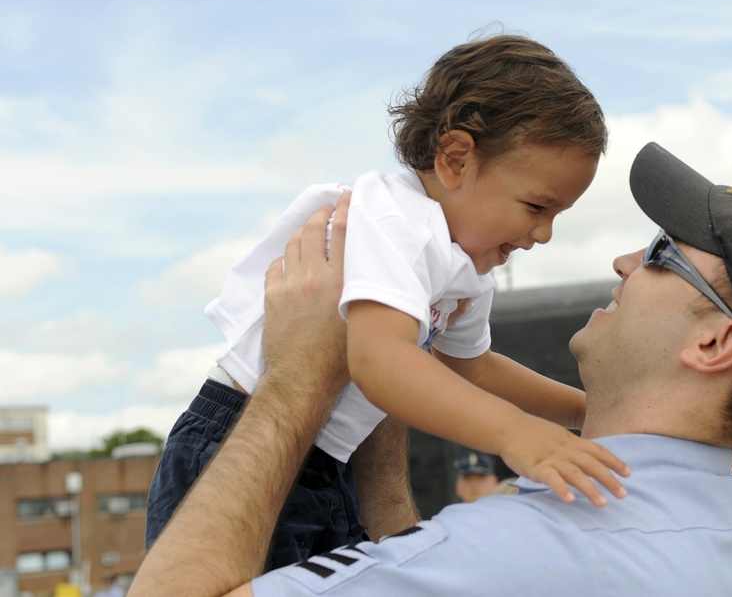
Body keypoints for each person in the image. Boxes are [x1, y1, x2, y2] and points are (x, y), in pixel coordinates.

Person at [131, 142, 732, 596]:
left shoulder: (535, 548)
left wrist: (299, 375)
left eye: (662, 254)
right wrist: (394, 343)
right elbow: (405, 557)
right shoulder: (717, 539)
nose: (624, 259)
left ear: (717, 344)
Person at [145, 34, 629, 567]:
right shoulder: (395, 219)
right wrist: (515, 434)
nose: (544, 234)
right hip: (237, 441)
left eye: (557, 215)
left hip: (326, 459)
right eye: (536, 206)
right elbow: (378, 360)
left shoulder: (465, 267)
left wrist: (584, 412)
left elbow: (473, 368)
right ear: (455, 159)